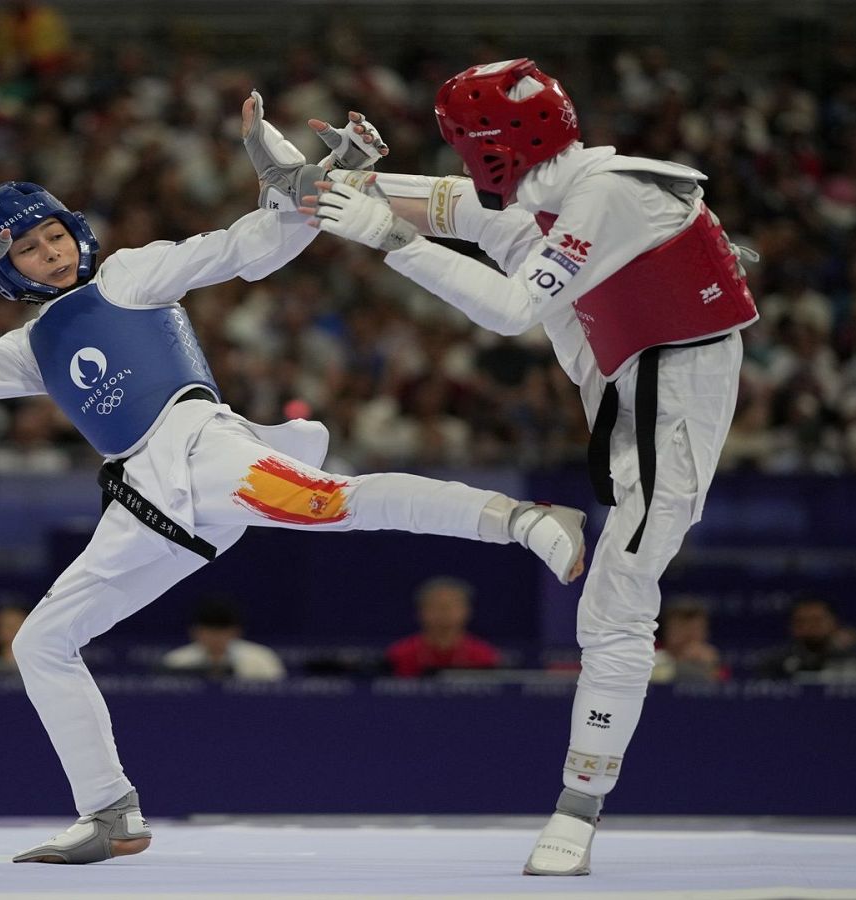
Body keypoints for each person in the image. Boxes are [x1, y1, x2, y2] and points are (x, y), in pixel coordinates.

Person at [0, 91, 588, 865]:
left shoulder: (131, 277)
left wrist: (317, 184)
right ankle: (109, 811)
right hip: (146, 505)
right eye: (29, 252)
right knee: (41, 643)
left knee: (337, 504)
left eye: (54, 235)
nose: (51, 253)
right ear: (9, 273)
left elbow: (248, 248)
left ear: (77, 231)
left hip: (206, 455)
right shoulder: (33, 346)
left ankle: (525, 519)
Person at [303, 59, 755, 874]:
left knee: (619, 595)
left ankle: (578, 809)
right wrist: (325, 187)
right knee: (503, 224)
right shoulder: (560, 186)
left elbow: (513, 311)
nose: (463, 157)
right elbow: (472, 205)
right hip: (616, 350)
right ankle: (336, 189)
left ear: (493, 140)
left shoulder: (603, 193)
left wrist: (385, 236)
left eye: (462, 142)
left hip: (676, 386)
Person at [385, 577, 501, 677]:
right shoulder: (399, 654)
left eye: (451, 606)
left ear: (467, 611)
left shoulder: (483, 655)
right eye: (435, 606)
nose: (444, 612)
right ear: (420, 612)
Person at [160, 598, 285, 681]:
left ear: (236, 631)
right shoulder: (176, 662)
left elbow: (278, 698)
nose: (216, 637)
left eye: (222, 631)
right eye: (210, 630)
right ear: (195, 631)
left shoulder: (261, 658)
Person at [754, 595, 856, 679]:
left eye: (816, 621)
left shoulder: (854, 660)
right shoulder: (773, 664)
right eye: (801, 621)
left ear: (833, 623)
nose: (808, 627)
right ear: (791, 626)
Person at [648, 598, 724, 683]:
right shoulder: (648, 652)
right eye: (680, 628)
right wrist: (679, 662)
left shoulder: (710, 658)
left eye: (695, 629)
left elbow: (724, 681)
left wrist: (712, 666)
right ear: (665, 630)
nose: (688, 636)